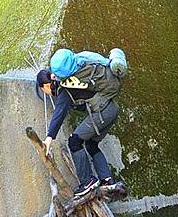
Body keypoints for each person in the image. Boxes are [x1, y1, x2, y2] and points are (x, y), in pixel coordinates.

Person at [36, 68, 119, 196]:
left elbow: (58, 115)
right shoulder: (70, 81)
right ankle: (107, 181)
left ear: (46, 85)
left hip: (102, 112)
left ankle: (88, 181)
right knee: (91, 144)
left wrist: (48, 139)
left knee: (74, 141)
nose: (45, 93)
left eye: (43, 89)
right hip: (111, 108)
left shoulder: (64, 91)